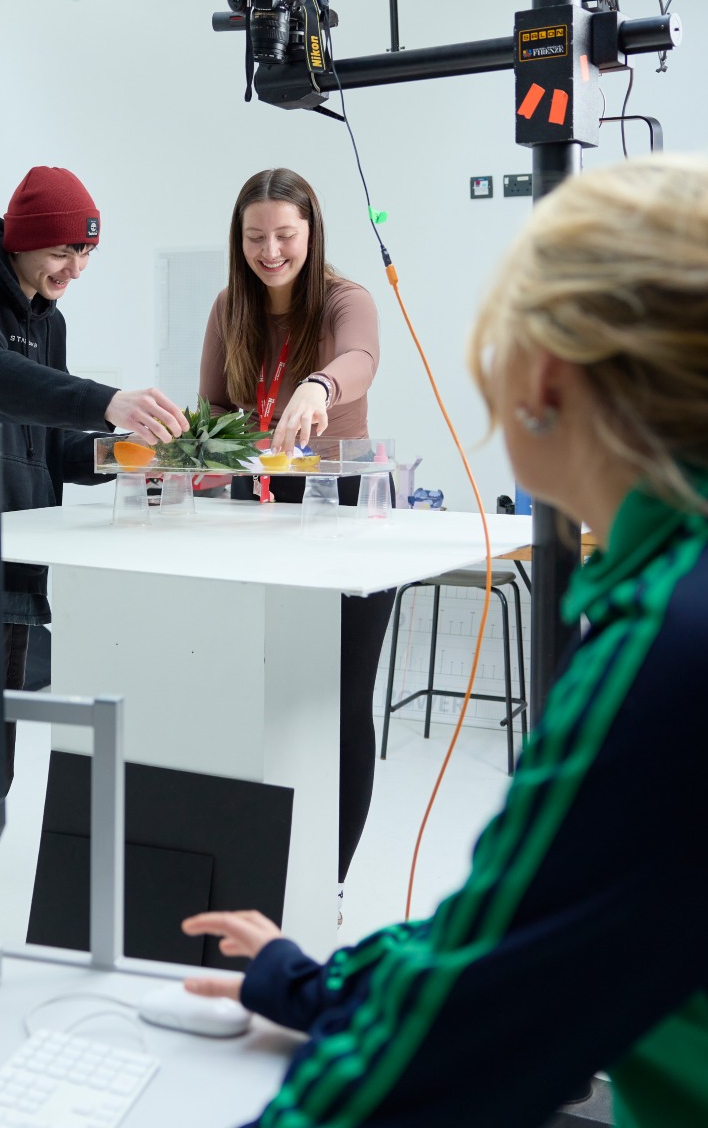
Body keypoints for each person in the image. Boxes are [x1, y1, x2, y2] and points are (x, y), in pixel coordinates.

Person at [182, 156, 708, 1127]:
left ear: (543, 374)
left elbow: (458, 1046)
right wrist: (310, 980)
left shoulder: (703, 644)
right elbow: (524, 923)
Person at [0, 164, 187, 926]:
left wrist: (126, 456)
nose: (75, 268)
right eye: (63, 250)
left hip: (18, 575)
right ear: (24, 241)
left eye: (87, 254)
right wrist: (104, 399)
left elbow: (48, 446)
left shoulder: (47, 319)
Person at [198, 167, 391, 888]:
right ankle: (264, 869)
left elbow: (361, 359)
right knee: (262, 697)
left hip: (345, 516)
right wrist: (201, 451)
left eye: (285, 234)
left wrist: (320, 385)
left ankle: (326, 885)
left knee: (339, 707)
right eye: (255, 237)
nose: (270, 250)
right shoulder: (229, 307)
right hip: (258, 516)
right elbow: (212, 411)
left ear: (311, 232)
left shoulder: (347, 299)